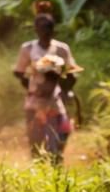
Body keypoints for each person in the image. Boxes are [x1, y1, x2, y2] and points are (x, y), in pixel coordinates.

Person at [14, 11, 82, 150]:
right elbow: (19, 71)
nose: (45, 32)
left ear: (53, 30)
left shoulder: (61, 49)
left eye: (48, 28)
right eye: (42, 29)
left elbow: (71, 74)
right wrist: (32, 86)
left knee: (62, 135)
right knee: (35, 141)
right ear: (36, 30)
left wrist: (62, 83)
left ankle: (57, 158)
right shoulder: (28, 48)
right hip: (35, 100)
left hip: (56, 99)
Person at [24, 53, 72, 161]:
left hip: (52, 113)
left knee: (51, 147)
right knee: (46, 147)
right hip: (48, 114)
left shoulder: (48, 86)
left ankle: (51, 163)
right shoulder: (43, 84)